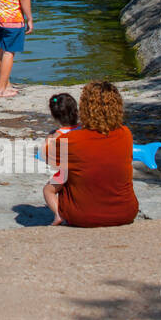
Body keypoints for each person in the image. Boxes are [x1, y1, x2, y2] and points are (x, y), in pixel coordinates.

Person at [42, 81, 139, 227]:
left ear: (85, 109)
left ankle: (59, 214)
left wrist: (50, 139)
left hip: (83, 216)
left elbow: (49, 159)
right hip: (126, 213)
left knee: (65, 175)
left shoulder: (69, 140)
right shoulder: (126, 133)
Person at [40, 92, 81, 201]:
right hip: (84, 169)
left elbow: (46, 154)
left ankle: (58, 214)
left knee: (48, 191)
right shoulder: (84, 128)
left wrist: (49, 136)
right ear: (76, 111)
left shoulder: (56, 135)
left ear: (54, 116)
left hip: (66, 173)